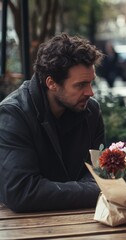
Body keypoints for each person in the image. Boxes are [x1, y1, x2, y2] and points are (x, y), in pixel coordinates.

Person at [0, 33, 105, 212]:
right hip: (24, 226)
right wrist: (99, 191)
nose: (90, 92)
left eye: (91, 83)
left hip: (84, 218)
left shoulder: (91, 111)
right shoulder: (13, 114)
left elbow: (98, 173)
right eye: (80, 85)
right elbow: (22, 192)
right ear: (51, 83)